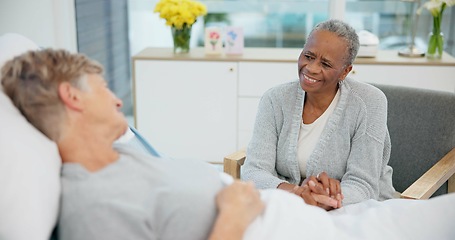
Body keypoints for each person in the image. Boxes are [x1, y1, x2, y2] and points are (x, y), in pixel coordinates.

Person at [3, 49, 455, 240]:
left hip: (311, 220)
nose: (118, 98)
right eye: (104, 87)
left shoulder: (124, 155)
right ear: (73, 96)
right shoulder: (91, 202)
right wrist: (236, 214)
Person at [241, 19, 395, 209]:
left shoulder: (370, 103)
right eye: (308, 56)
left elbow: (363, 185)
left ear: (345, 71)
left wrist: (324, 200)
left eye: (326, 64)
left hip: (352, 208)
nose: (312, 68)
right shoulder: (275, 99)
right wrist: (298, 194)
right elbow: (254, 170)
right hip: (288, 204)